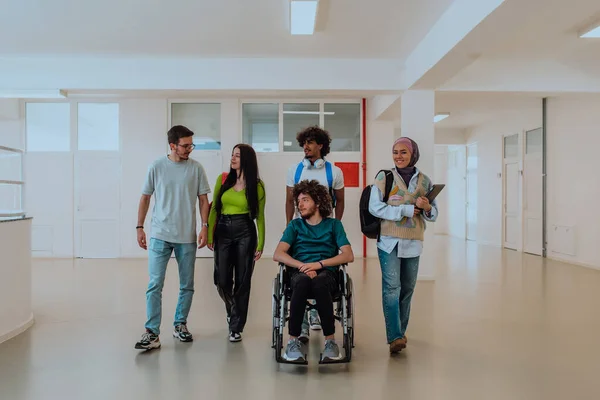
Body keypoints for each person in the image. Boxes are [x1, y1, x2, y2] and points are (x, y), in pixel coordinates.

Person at [134, 125, 211, 351]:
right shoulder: (157, 166)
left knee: (187, 285)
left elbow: (204, 200)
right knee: (154, 283)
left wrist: (205, 227)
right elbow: (145, 198)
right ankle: (152, 333)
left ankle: (180, 324)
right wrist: (139, 227)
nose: (189, 149)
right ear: (172, 145)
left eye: (191, 145)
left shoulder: (196, 169)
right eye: (185, 146)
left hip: (186, 236)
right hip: (159, 235)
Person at [368, 137, 438, 354]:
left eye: (403, 152)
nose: (398, 156)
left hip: (413, 242)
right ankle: (395, 336)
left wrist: (426, 207)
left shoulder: (425, 181)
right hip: (388, 241)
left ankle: (401, 330)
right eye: (395, 152)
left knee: (407, 289)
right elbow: (375, 208)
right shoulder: (384, 177)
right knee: (392, 288)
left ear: (413, 155)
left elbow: (433, 215)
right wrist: (404, 210)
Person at [274, 180, 354, 363]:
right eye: (298, 201)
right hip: (299, 273)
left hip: (326, 274)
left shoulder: (334, 225)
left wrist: (318, 265)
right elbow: (278, 254)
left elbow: (348, 255)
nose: (300, 205)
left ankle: (330, 342)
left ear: (317, 202)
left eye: (305, 200)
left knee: (320, 282)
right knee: (302, 281)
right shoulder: (294, 226)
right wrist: (303, 266)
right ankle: (293, 341)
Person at [285, 125, 345, 339]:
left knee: (321, 278)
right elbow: (289, 201)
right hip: (300, 228)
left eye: (310, 142)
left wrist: (334, 228)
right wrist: (289, 227)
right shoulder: (295, 170)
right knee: (299, 278)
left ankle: (318, 315)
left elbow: (340, 202)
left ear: (321, 145)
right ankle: (300, 322)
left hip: (325, 225)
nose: (306, 147)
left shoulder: (334, 172)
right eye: (304, 143)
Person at [208, 144, 266, 342]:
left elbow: (260, 217)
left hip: (245, 231)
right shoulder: (222, 179)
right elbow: (215, 208)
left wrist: (261, 244)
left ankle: (236, 326)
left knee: (242, 281)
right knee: (222, 280)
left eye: (237, 156)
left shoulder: (257, 186)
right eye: (232, 155)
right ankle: (234, 310)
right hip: (222, 230)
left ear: (247, 160)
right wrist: (209, 235)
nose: (232, 159)